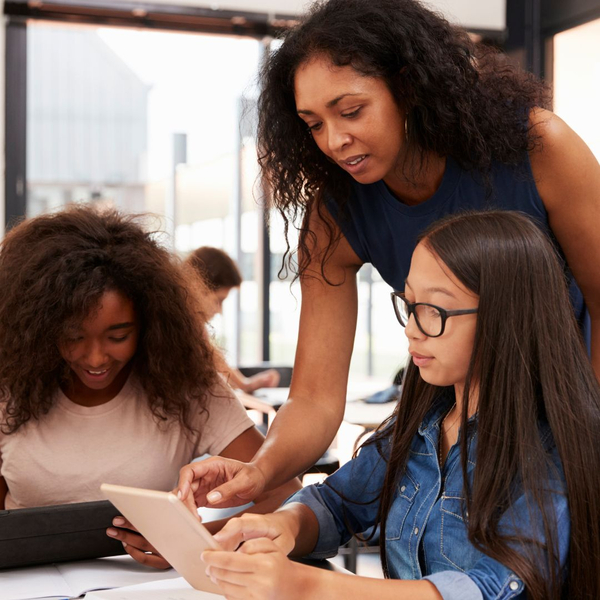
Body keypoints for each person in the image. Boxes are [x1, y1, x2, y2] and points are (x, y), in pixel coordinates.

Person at [175, 0, 600, 510]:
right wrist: (259, 471)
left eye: (351, 111)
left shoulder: (538, 146)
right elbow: (313, 397)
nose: (334, 140)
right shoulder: (336, 213)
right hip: (462, 429)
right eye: (312, 123)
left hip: (573, 412)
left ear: (410, 87)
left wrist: (581, 442)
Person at [199, 211, 600, 600]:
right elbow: (335, 502)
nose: (411, 329)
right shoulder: (419, 429)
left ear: (507, 316)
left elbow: (491, 586)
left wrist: (306, 587)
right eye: (409, 304)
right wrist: (282, 526)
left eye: (434, 311)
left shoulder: (552, 451)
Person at [0, 206, 300, 569]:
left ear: (149, 323)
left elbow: (287, 494)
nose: (95, 358)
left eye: (118, 335)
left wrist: (195, 542)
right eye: (73, 337)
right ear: (40, 328)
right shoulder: (9, 388)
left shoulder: (187, 388)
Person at [186, 246, 280, 393]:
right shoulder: (183, 324)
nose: (219, 310)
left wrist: (245, 384)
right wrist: (245, 384)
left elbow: (213, 357)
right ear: (197, 287)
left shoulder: (192, 327)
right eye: (219, 300)